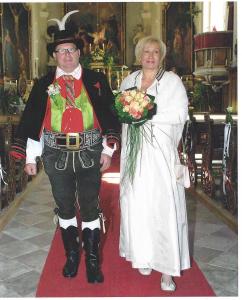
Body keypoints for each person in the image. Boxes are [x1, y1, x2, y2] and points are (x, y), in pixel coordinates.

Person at [10, 11, 120, 284]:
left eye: (71, 50)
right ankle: (72, 256)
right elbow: (36, 121)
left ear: (79, 53)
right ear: (54, 56)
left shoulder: (96, 80)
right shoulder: (43, 85)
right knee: (64, 206)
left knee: (91, 206)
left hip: (91, 152)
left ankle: (93, 262)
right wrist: (31, 157)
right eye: (61, 51)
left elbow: (108, 115)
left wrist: (107, 151)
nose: (67, 55)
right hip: (56, 154)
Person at [119, 36, 190, 291]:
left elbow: (181, 114)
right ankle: (144, 255)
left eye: (155, 52)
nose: (150, 56)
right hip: (135, 156)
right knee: (138, 206)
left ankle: (168, 271)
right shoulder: (129, 81)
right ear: (139, 55)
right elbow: (122, 115)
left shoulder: (172, 82)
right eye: (146, 52)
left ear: (162, 56)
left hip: (160, 156)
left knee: (164, 209)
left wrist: (148, 112)